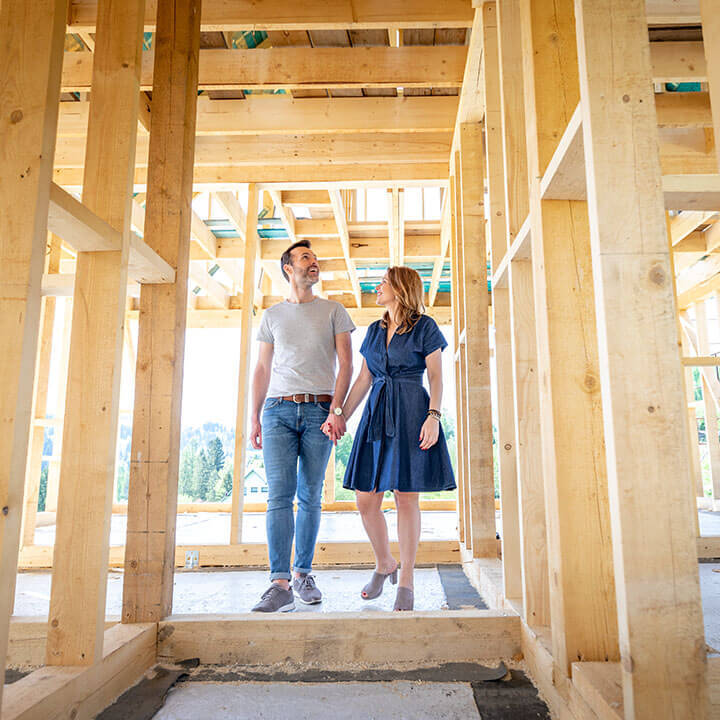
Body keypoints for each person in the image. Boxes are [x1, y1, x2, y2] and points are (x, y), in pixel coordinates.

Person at [330, 266, 455, 611]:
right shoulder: (373, 330)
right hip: (376, 416)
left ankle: (408, 580)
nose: (377, 286)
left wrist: (434, 416)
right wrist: (339, 415)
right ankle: (385, 563)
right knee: (365, 500)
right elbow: (363, 381)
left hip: (413, 411)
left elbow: (436, 377)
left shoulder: (425, 327)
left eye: (383, 282)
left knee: (405, 498)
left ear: (399, 289)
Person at [250, 240, 355, 613]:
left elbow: (347, 365)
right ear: (288, 269)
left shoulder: (334, 311)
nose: (314, 263)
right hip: (277, 411)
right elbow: (262, 369)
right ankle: (279, 584)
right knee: (279, 495)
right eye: (305, 258)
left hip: (319, 411)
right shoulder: (272, 315)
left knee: (310, 496)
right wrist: (254, 416)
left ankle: (302, 574)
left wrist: (337, 410)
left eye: (314, 258)